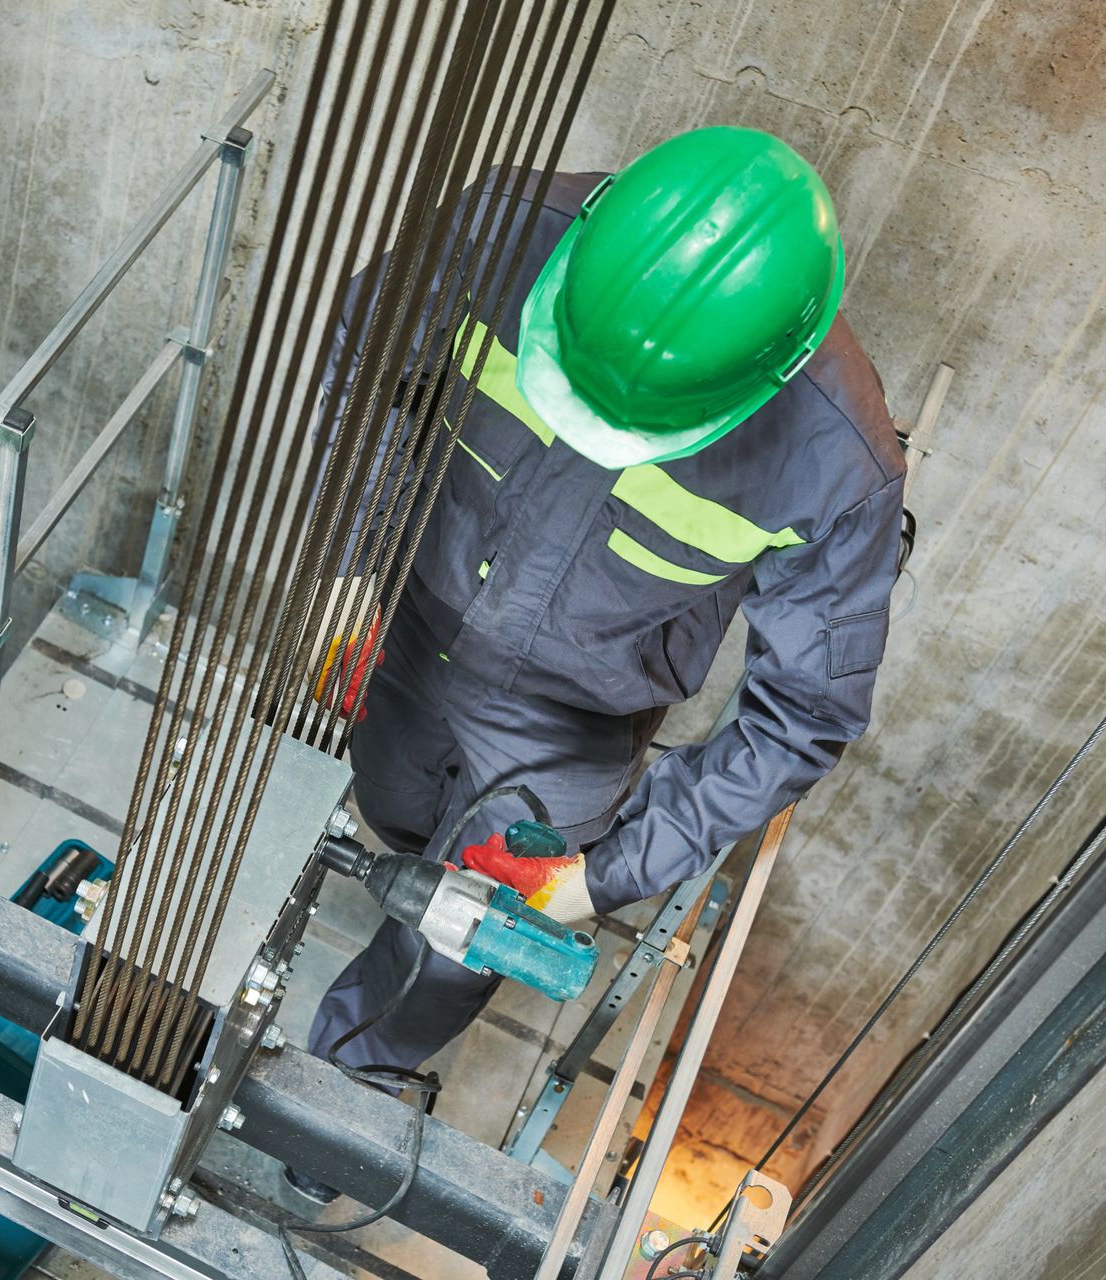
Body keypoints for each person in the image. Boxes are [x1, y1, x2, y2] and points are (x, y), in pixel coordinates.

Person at [290, 127, 905, 1203]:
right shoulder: (504, 228)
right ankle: (390, 855)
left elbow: (800, 715)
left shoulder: (834, 464)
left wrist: (608, 872)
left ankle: (347, 1082)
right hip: (410, 614)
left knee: (456, 938)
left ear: (764, 377)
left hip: (570, 720)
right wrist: (348, 559)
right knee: (389, 803)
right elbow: (358, 364)